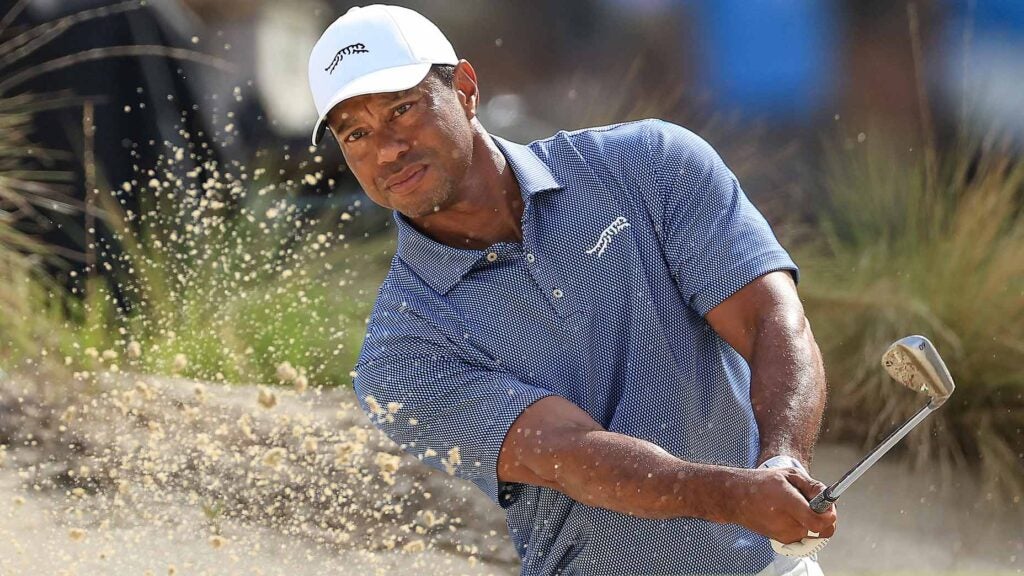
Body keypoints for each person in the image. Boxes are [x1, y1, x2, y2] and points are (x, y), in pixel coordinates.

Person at [307, 5, 837, 575]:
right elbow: (568, 455)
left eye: (402, 110)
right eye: (356, 134)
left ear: (464, 88)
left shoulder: (648, 165)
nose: (386, 150)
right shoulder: (401, 355)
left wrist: (782, 460)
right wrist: (736, 497)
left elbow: (772, 321)